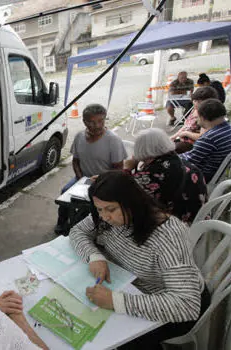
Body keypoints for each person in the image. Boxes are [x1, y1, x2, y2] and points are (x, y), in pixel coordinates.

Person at [69, 171, 210, 350]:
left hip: (169, 304)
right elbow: (77, 232)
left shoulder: (168, 235)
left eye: (110, 210)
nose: (104, 217)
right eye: (99, 209)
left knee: (112, 341)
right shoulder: (106, 214)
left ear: (131, 203)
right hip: (133, 286)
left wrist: (115, 301)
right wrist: (94, 257)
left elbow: (186, 305)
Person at [55, 104, 127, 235]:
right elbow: (75, 161)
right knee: (65, 192)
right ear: (84, 122)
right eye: (92, 122)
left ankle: (90, 226)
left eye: (101, 121)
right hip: (84, 178)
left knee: (95, 203)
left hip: (105, 182)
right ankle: (62, 222)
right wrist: (80, 178)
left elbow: (118, 170)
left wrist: (100, 181)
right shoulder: (79, 137)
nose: (97, 126)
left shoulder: (113, 140)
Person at [125, 128, 207, 224]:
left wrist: (126, 169)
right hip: (198, 217)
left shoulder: (151, 175)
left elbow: (125, 194)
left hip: (178, 225)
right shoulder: (180, 161)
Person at [180, 98, 231, 183]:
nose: (196, 119)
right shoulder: (227, 129)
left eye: (197, 116)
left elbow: (188, 160)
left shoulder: (209, 138)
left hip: (202, 177)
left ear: (203, 117)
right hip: (220, 175)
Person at [170, 86, 219, 154]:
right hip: (182, 139)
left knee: (167, 151)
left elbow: (202, 137)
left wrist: (186, 133)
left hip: (193, 145)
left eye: (199, 101)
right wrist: (173, 136)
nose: (195, 103)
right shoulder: (194, 110)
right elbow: (185, 126)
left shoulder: (206, 116)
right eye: (195, 100)